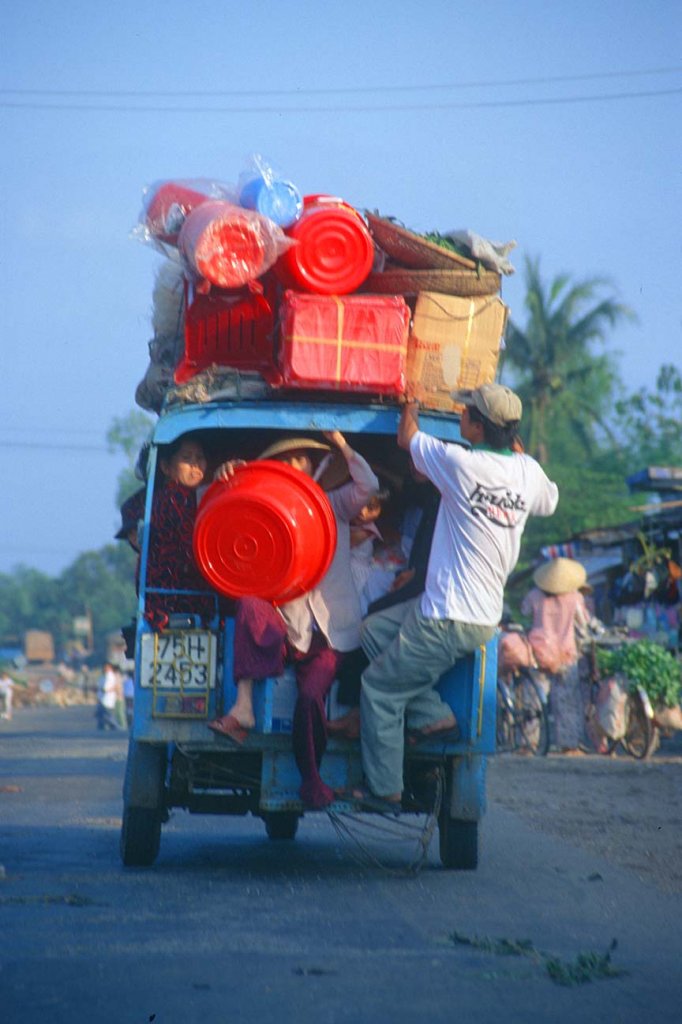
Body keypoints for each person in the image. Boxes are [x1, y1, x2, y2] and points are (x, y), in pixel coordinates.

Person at [354, 384, 559, 809]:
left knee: (378, 689)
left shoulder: (459, 464)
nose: (460, 414)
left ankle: (385, 788)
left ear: (478, 427)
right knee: (373, 631)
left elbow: (405, 437)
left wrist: (409, 397)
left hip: (446, 617)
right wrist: (518, 454)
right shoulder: (527, 473)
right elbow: (550, 501)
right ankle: (433, 715)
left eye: (466, 411)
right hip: (479, 617)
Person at [208, 431, 379, 809]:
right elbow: (221, 527)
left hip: (331, 632)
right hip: (288, 628)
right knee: (250, 601)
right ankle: (244, 706)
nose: (294, 466)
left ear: (315, 465)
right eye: (286, 461)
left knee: (309, 697)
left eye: (301, 459)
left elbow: (369, 484)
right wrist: (231, 476)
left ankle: (312, 778)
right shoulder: (263, 510)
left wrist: (342, 444)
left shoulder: (334, 504)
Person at [143, 434, 215, 629]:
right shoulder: (173, 498)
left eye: (199, 458)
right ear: (166, 467)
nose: (195, 465)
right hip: (176, 597)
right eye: (187, 458)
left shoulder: (194, 497)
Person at [520, 557, 590, 754]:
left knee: (532, 700)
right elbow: (583, 625)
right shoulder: (576, 598)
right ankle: (569, 745)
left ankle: (528, 743)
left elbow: (524, 611)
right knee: (567, 701)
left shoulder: (534, 595)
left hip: (538, 654)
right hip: (566, 656)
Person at [96, 663, 121, 731]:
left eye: (106, 667)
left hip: (107, 699)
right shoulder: (104, 676)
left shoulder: (110, 676)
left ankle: (116, 727)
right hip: (103, 699)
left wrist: (105, 690)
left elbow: (107, 687)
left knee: (108, 715)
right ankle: (101, 727)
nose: (105, 669)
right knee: (101, 714)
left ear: (110, 668)